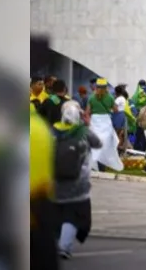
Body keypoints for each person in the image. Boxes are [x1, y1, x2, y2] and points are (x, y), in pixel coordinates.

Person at [53, 101, 102, 259]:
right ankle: (64, 246)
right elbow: (98, 143)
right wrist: (87, 124)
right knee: (73, 216)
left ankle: (54, 243)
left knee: (58, 214)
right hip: (79, 185)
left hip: (56, 181)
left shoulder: (53, 131)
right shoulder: (83, 132)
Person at [86, 79, 123, 171]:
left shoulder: (91, 97)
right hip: (106, 122)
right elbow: (116, 110)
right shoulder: (110, 97)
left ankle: (95, 164)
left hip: (95, 122)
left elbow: (88, 112)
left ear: (96, 87)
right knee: (105, 145)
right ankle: (102, 165)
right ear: (106, 87)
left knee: (95, 144)